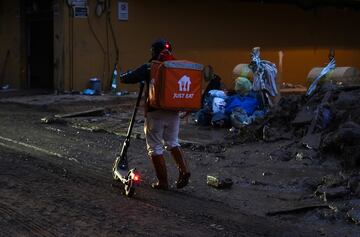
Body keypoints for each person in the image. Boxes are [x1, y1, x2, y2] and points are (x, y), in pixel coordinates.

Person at [119, 39, 191, 190]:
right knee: (173, 142)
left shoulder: (150, 67)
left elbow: (127, 78)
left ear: (154, 52)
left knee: (155, 147)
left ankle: (163, 182)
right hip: (173, 112)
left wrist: (123, 74)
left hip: (155, 112)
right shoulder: (178, 67)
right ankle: (184, 170)